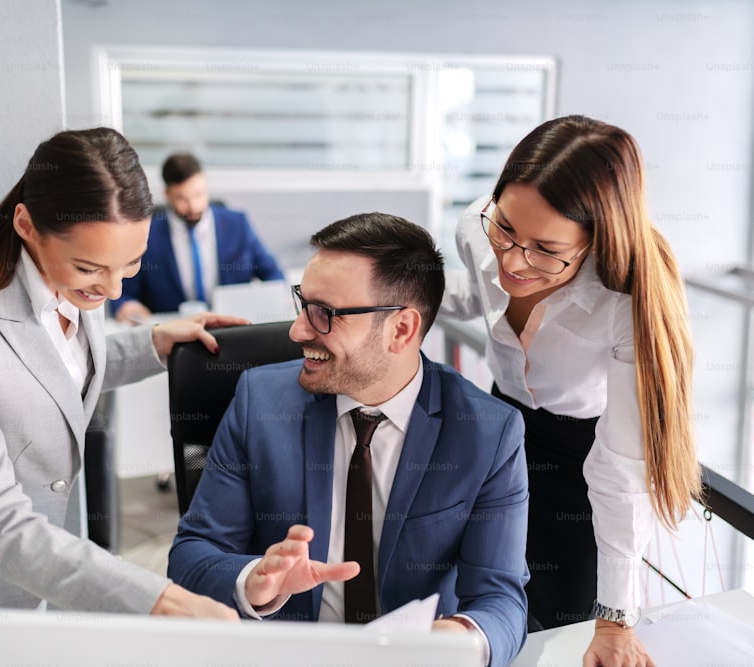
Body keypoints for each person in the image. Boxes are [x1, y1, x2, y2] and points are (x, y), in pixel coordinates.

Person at [0, 127, 242, 619]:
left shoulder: (79, 279)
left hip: (31, 568)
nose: (114, 289)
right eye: (90, 268)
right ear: (26, 224)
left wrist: (154, 342)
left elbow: (55, 369)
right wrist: (155, 599)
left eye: (131, 264)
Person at [168, 213, 530, 667]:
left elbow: (501, 600)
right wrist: (252, 580)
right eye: (303, 303)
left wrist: (455, 640)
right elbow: (191, 554)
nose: (297, 330)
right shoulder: (260, 402)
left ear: (401, 329)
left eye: (326, 314)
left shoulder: (488, 434)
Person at [440, 115, 701, 667]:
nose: (511, 261)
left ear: (595, 241)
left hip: (580, 452)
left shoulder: (624, 303)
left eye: (545, 249)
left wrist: (615, 620)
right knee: (473, 596)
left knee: (561, 624)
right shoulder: (476, 226)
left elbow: (621, 470)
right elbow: (470, 296)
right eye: (506, 229)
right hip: (497, 423)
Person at [111, 152, 284, 321]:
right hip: (175, 334)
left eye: (199, 194)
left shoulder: (237, 225)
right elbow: (122, 292)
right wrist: (126, 306)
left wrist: (267, 302)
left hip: (232, 327)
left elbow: (274, 275)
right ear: (167, 194)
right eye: (182, 198)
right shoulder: (147, 234)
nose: (193, 206)